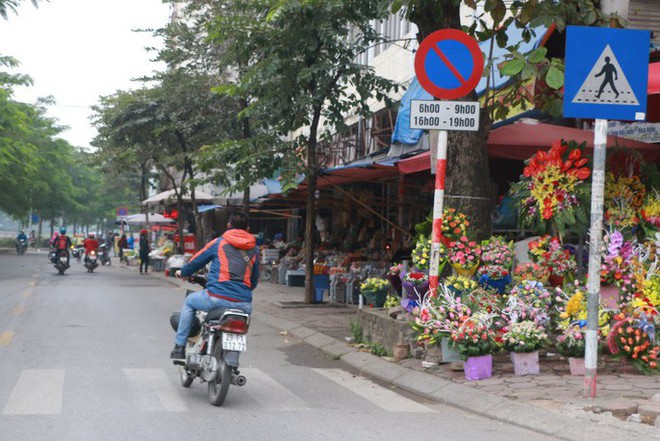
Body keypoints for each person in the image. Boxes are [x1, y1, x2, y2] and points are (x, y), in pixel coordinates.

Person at [170, 211, 260, 359]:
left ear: (228, 225)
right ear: (248, 229)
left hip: (216, 298)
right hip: (244, 304)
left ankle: (179, 346)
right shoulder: (254, 249)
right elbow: (255, 278)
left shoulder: (218, 243)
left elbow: (196, 261)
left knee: (189, 301)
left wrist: (183, 272)